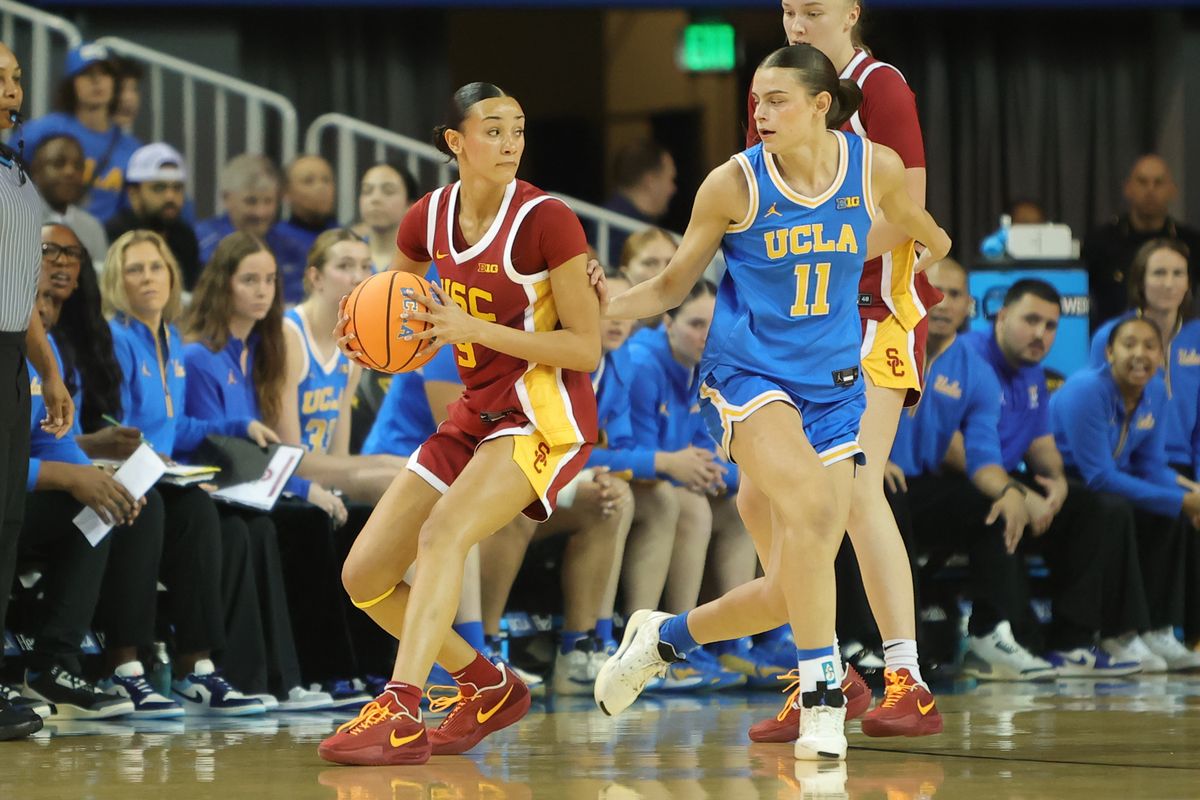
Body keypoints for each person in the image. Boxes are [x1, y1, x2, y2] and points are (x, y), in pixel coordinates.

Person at [594, 45, 950, 762]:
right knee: (820, 513)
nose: (760, 112)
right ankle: (823, 696)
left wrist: (875, 244)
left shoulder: (872, 167)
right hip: (749, 375)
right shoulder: (732, 184)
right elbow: (671, 288)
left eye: (778, 99)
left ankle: (664, 638)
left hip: (832, 383)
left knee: (794, 582)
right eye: (756, 100)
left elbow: (928, 235)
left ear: (823, 106)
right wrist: (607, 306)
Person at [319, 81, 599, 766]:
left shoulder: (548, 220)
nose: (510, 144)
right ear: (454, 142)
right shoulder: (425, 219)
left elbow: (585, 349)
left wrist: (472, 327)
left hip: (544, 411)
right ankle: (486, 684)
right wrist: (366, 329)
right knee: (366, 575)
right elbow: (400, 305)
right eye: (494, 130)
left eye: (519, 130)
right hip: (476, 407)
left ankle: (403, 706)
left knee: (443, 535)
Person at [738, 0, 945, 740]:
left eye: (813, 11)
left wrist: (817, 245)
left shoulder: (881, 87)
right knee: (757, 500)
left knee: (854, 489)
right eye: (789, 10)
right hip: (801, 326)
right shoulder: (774, 94)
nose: (796, 23)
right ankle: (821, 672)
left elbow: (911, 214)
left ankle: (907, 679)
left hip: (874, 313)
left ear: (851, 12)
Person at [99, 228, 297, 713]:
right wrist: (150, 454)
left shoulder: (167, 336)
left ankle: (196, 670)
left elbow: (177, 424)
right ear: (115, 280)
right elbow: (112, 423)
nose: (148, 278)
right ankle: (125, 667)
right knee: (154, 509)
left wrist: (237, 424)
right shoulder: (116, 338)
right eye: (135, 269)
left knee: (199, 510)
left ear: (172, 276)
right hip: (121, 474)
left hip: (162, 477)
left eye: (156, 267)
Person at [183, 231, 372, 707]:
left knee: (304, 523)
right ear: (223, 286)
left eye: (269, 279)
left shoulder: (254, 352)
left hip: (256, 488)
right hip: (215, 491)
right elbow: (222, 453)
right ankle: (303, 676)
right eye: (249, 280)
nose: (264, 290)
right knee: (298, 523)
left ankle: (301, 677)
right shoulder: (200, 356)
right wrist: (306, 488)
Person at [937, 273, 1151, 678]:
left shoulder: (1033, 370)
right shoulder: (965, 355)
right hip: (960, 482)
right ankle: (1001, 638)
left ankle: (1072, 642)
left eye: (1051, 325)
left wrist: (1056, 484)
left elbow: (1041, 445)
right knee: (1000, 503)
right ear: (1000, 318)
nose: (1041, 333)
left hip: (1006, 478)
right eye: (1030, 320)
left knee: (1101, 508)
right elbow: (949, 445)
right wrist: (1017, 489)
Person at [1053, 316, 1200, 670]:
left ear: (1162, 356)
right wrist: (1181, 498)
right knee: (1117, 508)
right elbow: (1098, 476)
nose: (1140, 354)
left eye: (1150, 346)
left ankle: (1158, 629)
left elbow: (1151, 466)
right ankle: (1119, 633)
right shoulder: (1087, 389)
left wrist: (1190, 496)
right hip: (1062, 480)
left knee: (1169, 515)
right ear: (1109, 352)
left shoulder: (1155, 393)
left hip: (1108, 480)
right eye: (1129, 344)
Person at [0, 39, 72, 742]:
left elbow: (20, 290)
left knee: (6, 520)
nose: (9, 89)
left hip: (7, 363)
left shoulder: (14, 175)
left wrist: (47, 369)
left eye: (15, 78)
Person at [1088, 241, 1200, 669]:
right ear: (1140, 280)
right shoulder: (1114, 335)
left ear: (1188, 283)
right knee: (1169, 511)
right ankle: (1142, 630)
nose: (1168, 283)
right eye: (1158, 273)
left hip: (1177, 463)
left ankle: (1170, 631)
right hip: (1127, 460)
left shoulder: (1196, 337)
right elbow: (1100, 402)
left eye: (1177, 274)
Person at [279, 229, 404, 504]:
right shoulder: (288, 336)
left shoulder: (351, 341)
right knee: (395, 478)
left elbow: (340, 455)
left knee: (421, 475)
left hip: (325, 471)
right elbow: (288, 456)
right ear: (316, 277)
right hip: (285, 474)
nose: (358, 277)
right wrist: (381, 464)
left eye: (365, 266)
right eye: (345, 266)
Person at [19, 43, 142, 223]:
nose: (96, 81)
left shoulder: (133, 150)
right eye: (86, 74)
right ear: (71, 84)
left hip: (102, 243)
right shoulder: (39, 132)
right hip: (43, 234)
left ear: (115, 83)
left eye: (104, 74)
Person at [1083, 155, 1200, 325]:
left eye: (1158, 182)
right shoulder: (1100, 242)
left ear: (1173, 190)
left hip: (1178, 340)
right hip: (1113, 340)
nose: (1150, 190)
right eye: (1142, 182)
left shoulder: (1191, 242)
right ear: (1128, 188)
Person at [194, 154, 308, 304]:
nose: (260, 212)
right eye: (251, 201)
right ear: (226, 198)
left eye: (268, 201)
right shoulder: (200, 241)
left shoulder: (290, 247)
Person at [105, 143, 201, 289]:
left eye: (177, 188)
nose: (170, 197)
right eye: (159, 188)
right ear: (134, 194)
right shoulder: (115, 235)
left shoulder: (185, 237)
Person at [28, 134, 108, 263]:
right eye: (58, 163)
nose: (70, 171)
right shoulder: (19, 217)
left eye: (78, 166)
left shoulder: (92, 228)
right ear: (36, 170)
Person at [601, 141, 677, 266]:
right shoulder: (608, 227)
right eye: (670, 179)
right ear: (650, 181)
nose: (673, 189)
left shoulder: (616, 222)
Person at [355, 162, 419, 272]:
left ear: (410, 204)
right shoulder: (345, 255)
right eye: (367, 190)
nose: (375, 199)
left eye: (388, 191)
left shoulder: (428, 260)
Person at [276, 155, 339, 255]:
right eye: (309, 181)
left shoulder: (346, 237)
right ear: (286, 192)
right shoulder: (274, 239)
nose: (321, 188)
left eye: (326, 180)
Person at [110, 56, 143, 133]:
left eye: (135, 89)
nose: (129, 97)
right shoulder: (78, 140)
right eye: (120, 89)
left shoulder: (133, 144)